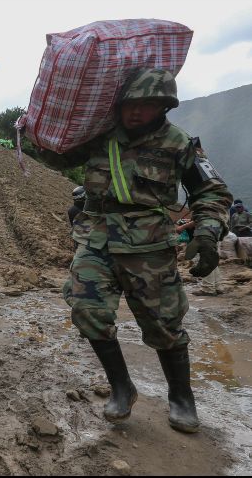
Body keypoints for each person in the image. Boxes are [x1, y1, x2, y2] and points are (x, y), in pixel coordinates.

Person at [33, 68, 233, 433]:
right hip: (96, 239)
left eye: (148, 105)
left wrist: (206, 234)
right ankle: (122, 387)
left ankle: (181, 397)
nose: (136, 112)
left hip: (149, 246)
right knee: (87, 309)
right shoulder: (101, 136)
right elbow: (58, 157)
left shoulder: (179, 143)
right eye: (131, 104)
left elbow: (212, 192)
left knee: (163, 326)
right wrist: (36, 129)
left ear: (164, 107)